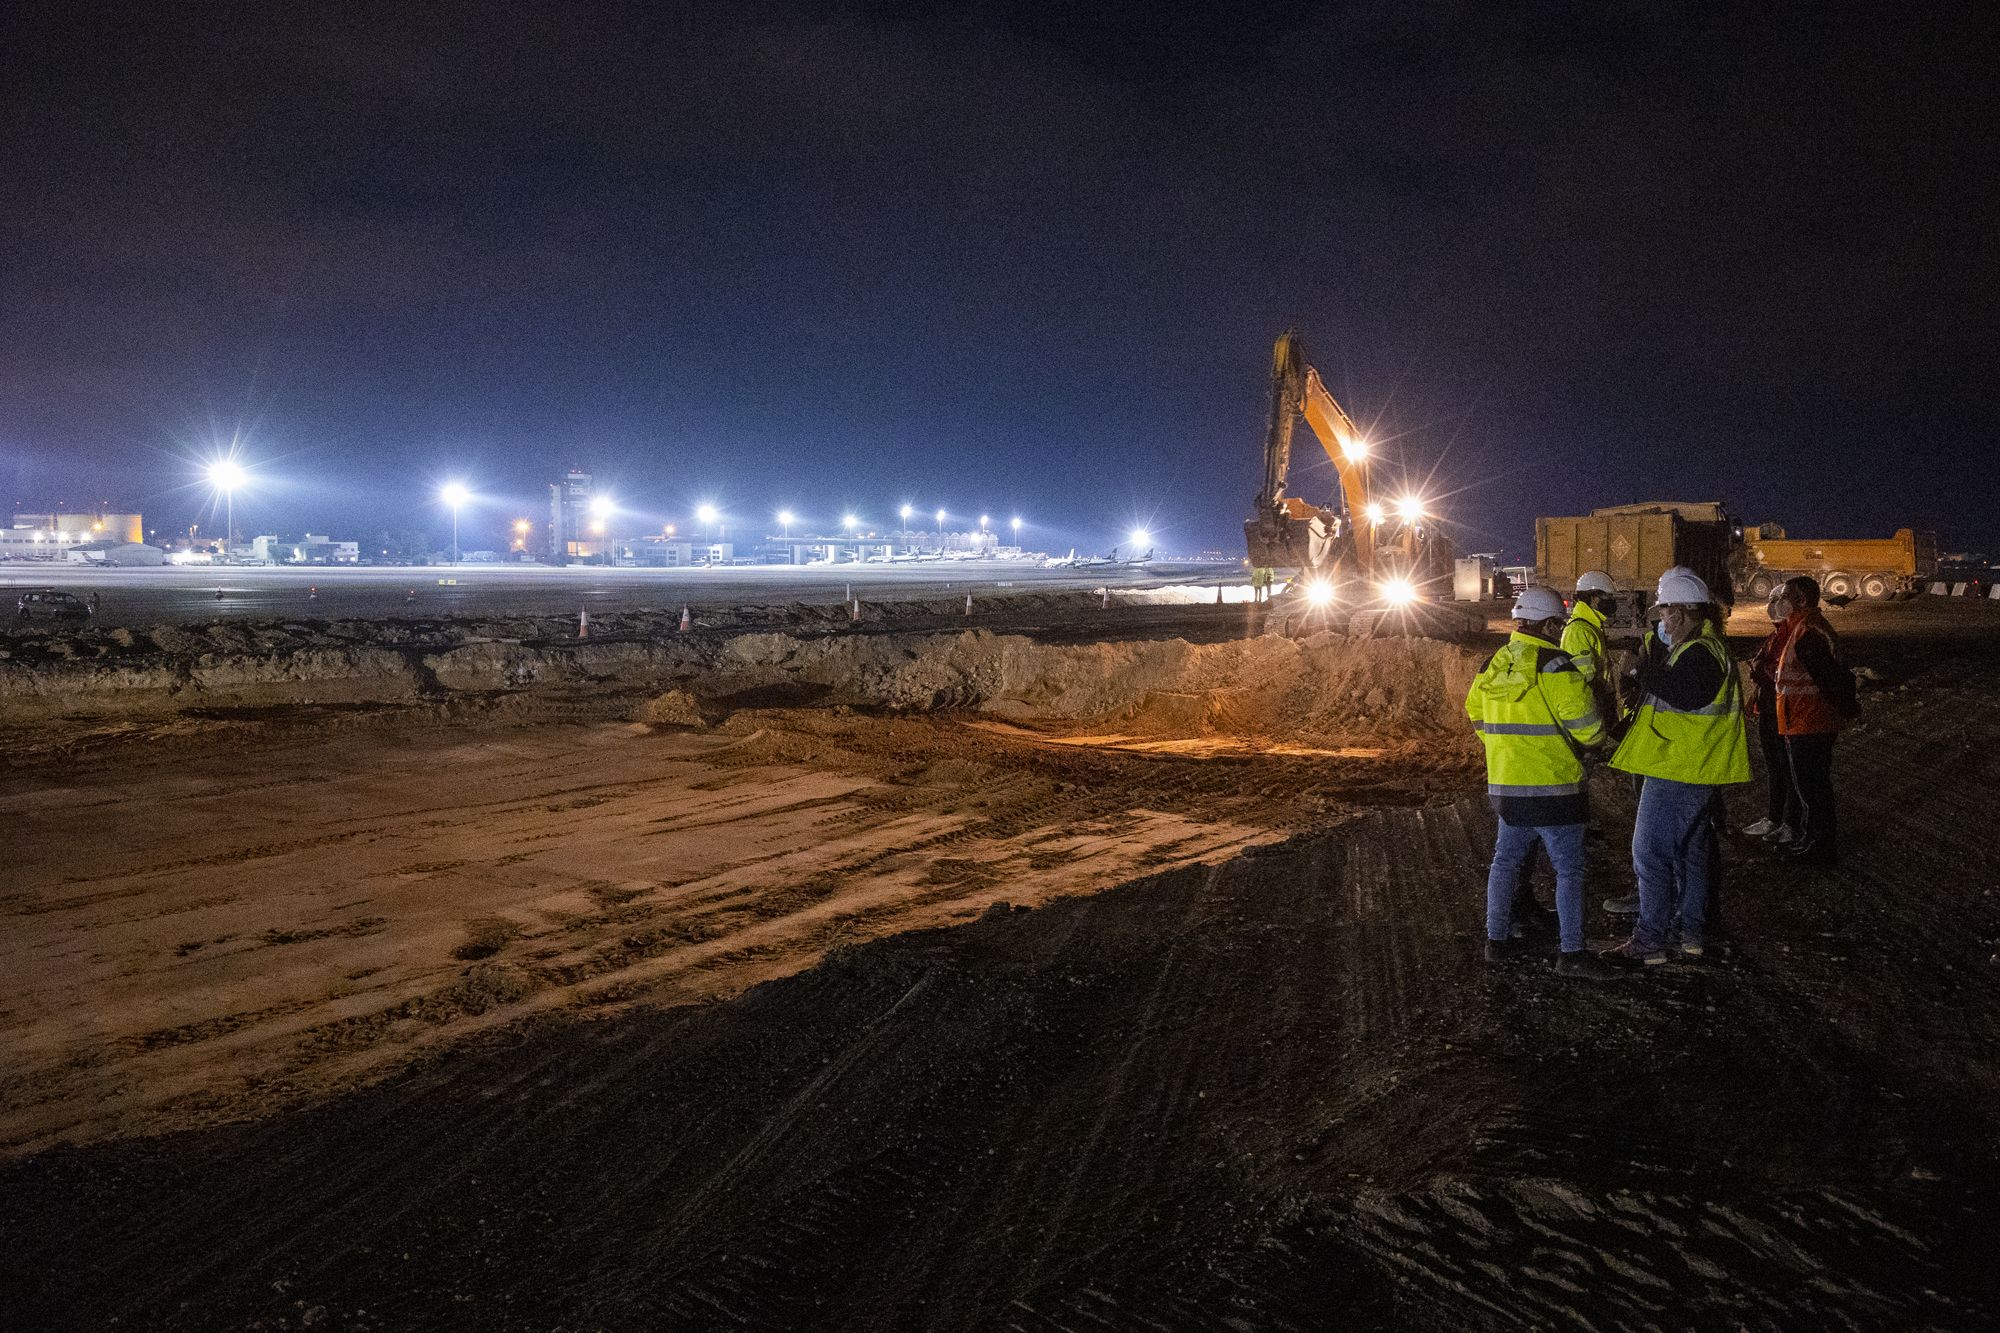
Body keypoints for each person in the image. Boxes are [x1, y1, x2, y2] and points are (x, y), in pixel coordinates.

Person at [1467, 586, 1622, 980]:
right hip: (1556, 789)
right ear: (1550, 624)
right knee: (1569, 871)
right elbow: (1589, 730)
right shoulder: (1555, 666)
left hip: (1507, 786)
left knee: (1504, 863)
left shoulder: (1494, 663)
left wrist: (1505, 747)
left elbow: (1476, 715)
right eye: (1559, 624)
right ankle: (1571, 952)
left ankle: (1496, 942)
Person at [1602, 567, 1751, 966]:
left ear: (1683, 613)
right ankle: (1691, 935)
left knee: (1649, 853)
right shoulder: (1701, 648)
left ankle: (1650, 941)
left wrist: (1639, 669)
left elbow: (1685, 695)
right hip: (1691, 765)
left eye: (1665, 613)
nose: (1662, 621)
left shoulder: (1701, 651)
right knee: (1692, 853)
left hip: (1680, 768)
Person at [1771, 575, 1855, 865]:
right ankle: (1811, 838)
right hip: (1804, 720)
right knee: (1810, 787)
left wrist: (1846, 709)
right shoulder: (1802, 629)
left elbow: (1830, 680)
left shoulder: (1809, 633)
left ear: (1801, 600)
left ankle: (1820, 847)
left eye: (1786, 596)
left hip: (1811, 721)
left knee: (1812, 789)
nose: (1780, 602)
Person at [1742, 594, 1798, 842]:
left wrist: (1763, 673)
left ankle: (1789, 822)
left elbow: (1781, 672)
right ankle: (1776, 818)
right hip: (1770, 708)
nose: (1773, 604)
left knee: (1785, 769)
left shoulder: (1793, 633)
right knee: (1775, 768)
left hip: (1783, 711)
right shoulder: (1779, 633)